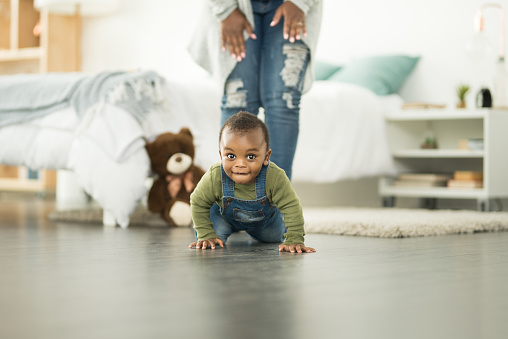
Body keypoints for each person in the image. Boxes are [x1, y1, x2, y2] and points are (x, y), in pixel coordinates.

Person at [188, 0, 323, 180]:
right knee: (238, 101)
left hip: (292, 4)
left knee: (284, 103)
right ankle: (234, 202)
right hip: (232, 4)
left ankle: (276, 202)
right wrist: (225, 9)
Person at [189, 111, 315, 253]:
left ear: (266, 157)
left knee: (275, 237)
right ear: (221, 155)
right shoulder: (215, 175)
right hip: (224, 218)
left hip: (264, 223)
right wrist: (205, 234)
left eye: (250, 156)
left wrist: (295, 239)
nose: (240, 164)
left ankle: (261, 230)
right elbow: (198, 201)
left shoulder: (274, 176)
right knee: (210, 242)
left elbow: (291, 206)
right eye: (231, 156)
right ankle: (218, 232)